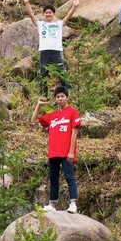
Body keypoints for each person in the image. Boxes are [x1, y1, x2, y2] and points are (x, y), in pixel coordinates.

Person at [31, 86, 81, 214]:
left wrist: (71, 151)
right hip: (53, 152)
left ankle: (73, 204)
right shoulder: (52, 115)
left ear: (67, 97)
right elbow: (33, 121)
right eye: (58, 97)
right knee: (53, 179)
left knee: (69, 177)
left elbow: (74, 132)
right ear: (55, 99)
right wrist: (38, 105)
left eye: (62, 96)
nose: (60, 99)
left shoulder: (72, 112)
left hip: (66, 152)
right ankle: (52, 204)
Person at [23, 0, 80, 97]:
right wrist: (27, 3)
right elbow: (31, 15)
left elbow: (68, 16)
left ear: (53, 13)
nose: (48, 14)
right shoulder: (41, 24)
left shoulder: (58, 24)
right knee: (43, 74)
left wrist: (74, 6)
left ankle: (67, 94)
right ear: (44, 14)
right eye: (46, 12)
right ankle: (43, 95)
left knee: (61, 73)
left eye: (50, 12)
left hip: (56, 51)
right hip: (44, 51)